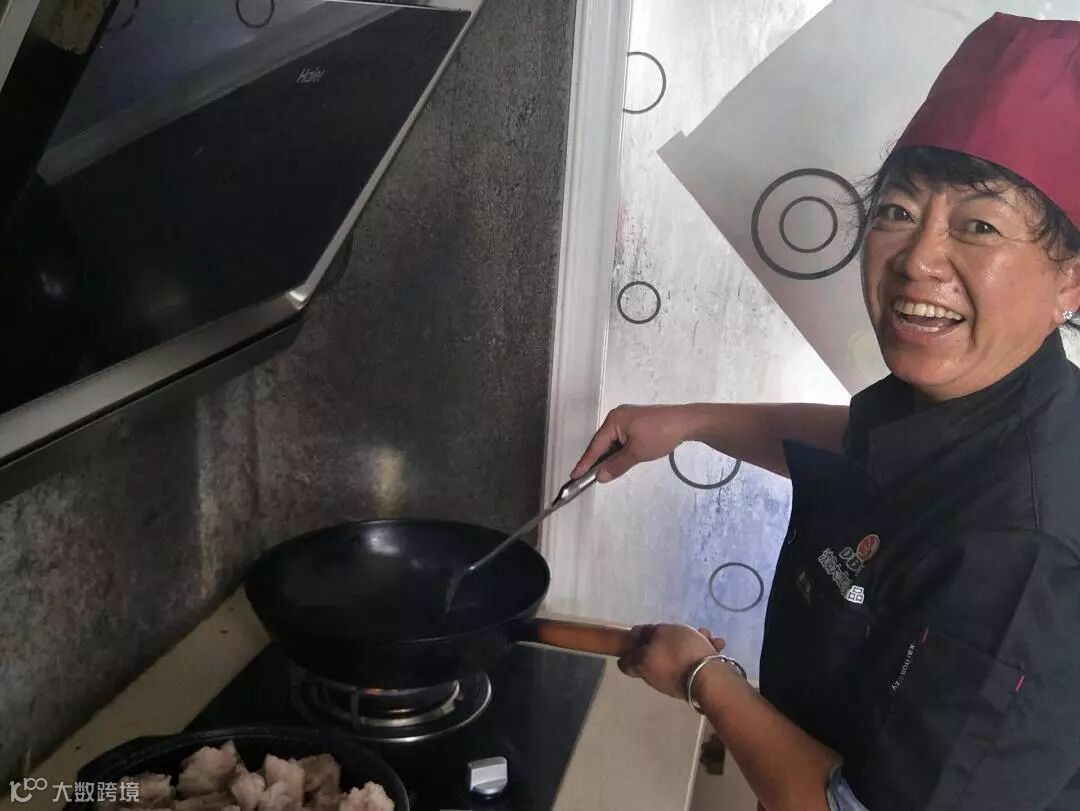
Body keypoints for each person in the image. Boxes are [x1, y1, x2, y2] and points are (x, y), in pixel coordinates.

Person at [572, 12, 1080, 811]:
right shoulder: (994, 398)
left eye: (979, 225)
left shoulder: (1027, 556)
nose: (918, 258)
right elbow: (867, 448)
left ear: (1069, 282)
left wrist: (704, 677)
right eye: (898, 210)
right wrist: (691, 421)